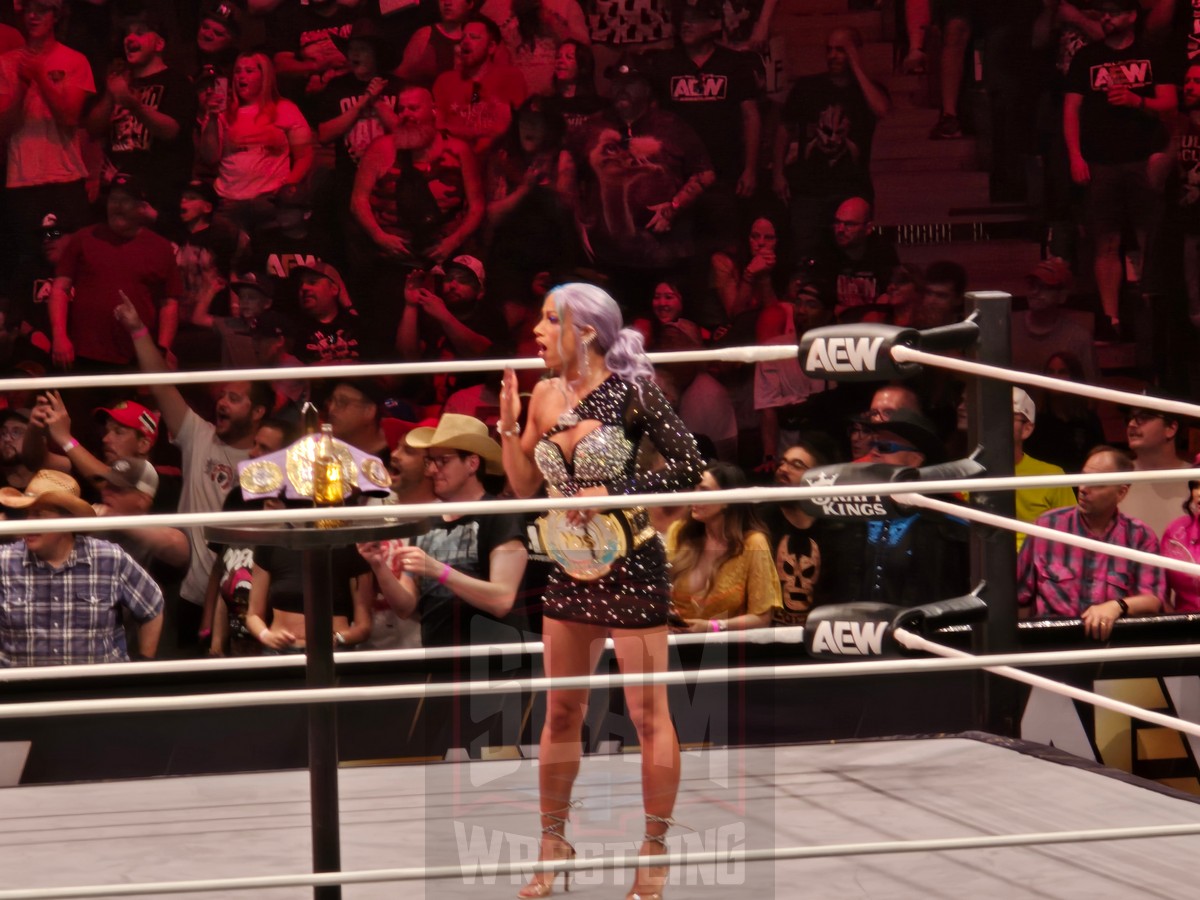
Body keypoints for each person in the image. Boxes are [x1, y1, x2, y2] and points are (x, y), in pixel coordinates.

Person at [498, 282, 703, 899]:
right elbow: (520, 486)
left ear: (584, 331)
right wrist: (509, 426)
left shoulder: (633, 391)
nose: (535, 330)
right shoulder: (545, 394)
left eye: (548, 319)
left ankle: (654, 849)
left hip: (632, 566)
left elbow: (691, 464)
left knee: (647, 715)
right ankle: (553, 840)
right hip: (569, 570)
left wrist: (621, 490)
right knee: (561, 711)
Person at [114, 295, 272, 656]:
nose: (222, 403)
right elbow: (160, 385)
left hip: (244, 596)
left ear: (259, 411)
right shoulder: (199, 435)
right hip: (191, 595)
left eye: (234, 398)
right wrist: (138, 329)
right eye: (222, 396)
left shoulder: (271, 459)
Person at [359, 413, 529, 647]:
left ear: (472, 463)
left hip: (493, 663)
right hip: (441, 662)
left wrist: (440, 571)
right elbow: (406, 607)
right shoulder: (428, 520)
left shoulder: (499, 513)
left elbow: (501, 600)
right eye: (430, 461)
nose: (432, 471)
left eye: (443, 461)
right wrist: (378, 565)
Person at [1063, 0, 1174, 338]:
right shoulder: (1087, 57)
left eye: (1114, 12)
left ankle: (1152, 313)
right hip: (1100, 162)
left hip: (1144, 160)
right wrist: (1075, 157)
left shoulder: (1153, 52)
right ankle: (1111, 319)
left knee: (1149, 238)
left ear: (1133, 16)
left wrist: (1136, 101)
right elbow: (1071, 110)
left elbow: (1170, 103)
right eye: (1104, 13)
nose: (1107, 18)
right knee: (1105, 242)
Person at [0, 470, 163, 665]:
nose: (29, 523)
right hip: (23, 689)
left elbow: (152, 606)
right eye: (28, 514)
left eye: (39, 515)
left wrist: (143, 669)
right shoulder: (5, 561)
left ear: (67, 521)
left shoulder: (109, 558)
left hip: (97, 687)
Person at [1018, 445, 1164, 639]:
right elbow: (1019, 596)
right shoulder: (1047, 527)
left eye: (1096, 483)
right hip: (1053, 644)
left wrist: (1116, 606)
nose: (1084, 489)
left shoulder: (1140, 536)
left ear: (1121, 492)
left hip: (1113, 646)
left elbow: (1153, 600)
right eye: (1083, 478)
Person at [774, 26, 890, 256]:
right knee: (805, 255)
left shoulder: (869, 91)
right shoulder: (808, 88)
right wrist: (778, 174)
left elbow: (881, 110)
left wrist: (856, 64)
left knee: (851, 256)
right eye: (829, 50)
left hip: (851, 189)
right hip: (809, 190)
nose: (832, 56)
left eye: (841, 50)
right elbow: (784, 130)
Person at [49, 173, 182, 373]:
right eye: (113, 200)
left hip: (137, 356)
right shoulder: (84, 238)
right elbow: (60, 289)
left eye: (125, 201)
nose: (118, 206)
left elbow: (169, 303)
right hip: (84, 354)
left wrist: (163, 348)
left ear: (141, 207)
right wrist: (60, 337)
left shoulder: (161, 247)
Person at [0, 0, 95, 277]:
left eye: (41, 10)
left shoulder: (74, 60)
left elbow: (69, 120)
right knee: (30, 262)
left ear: (56, 15)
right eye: (27, 10)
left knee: (67, 259)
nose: (32, 16)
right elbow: (4, 129)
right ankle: (32, 319)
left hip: (63, 180)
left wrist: (41, 77)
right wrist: (22, 85)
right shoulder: (6, 63)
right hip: (23, 181)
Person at [83, 9, 196, 223]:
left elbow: (170, 130)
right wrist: (111, 93)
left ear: (159, 44)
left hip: (157, 198)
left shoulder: (177, 83)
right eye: (128, 34)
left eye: (140, 33)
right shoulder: (120, 83)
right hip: (115, 192)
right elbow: (93, 128)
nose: (130, 39)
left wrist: (134, 106)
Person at [199, 51, 314, 234]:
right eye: (237, 71)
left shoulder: (285, 109)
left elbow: (305, 156)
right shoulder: (221, 111)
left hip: (269, 199)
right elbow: (209, 157)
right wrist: (212, 118)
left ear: (264, 75)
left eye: (249, 71)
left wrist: (285, 189)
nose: (241, 76)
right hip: (230, 201)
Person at [666, 461, 781, 632]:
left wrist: (712, 627)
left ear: (727, 501)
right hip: (674, 642)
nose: (694, 497)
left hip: (726, 647)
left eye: (704, 491)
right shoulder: (679, 532)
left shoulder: (754, 543)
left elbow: (762, 618)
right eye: (695, 489)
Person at [432, 13, 529, 159]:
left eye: (474, 37)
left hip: (496, 161)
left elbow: (513, 128)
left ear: (491, 47)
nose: (465, 42)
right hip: (453, 162)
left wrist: (457, 130)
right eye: (463, 37)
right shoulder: (445, 81)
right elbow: (438, 128)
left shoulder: (510, 78)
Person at [1010, 257, 1097, 381]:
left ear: (1062, 295)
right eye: (1032, 285)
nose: (1035, 292)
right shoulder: (1007, 328)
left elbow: (1091, 391)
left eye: (1045, 287)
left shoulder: (1078, 338)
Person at [1012, 388, 1077, 551]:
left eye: (1008, 417)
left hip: (1036, 567)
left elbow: (1072, 535)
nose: (995, 423)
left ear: (1026, 428)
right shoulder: (969, 472)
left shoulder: (1052, 476)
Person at [1121, 400, 1191, 538]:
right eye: (1130, 418)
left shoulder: (1195, 479)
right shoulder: (1112, 477)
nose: (1131, 424)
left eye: (1144, 417)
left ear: (1171, 428)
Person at [1160, 474, 1200, 614]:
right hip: (1185, 627)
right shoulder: (1176, 531)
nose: (1198, 492)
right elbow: (1160, 590)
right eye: (1196, 485)